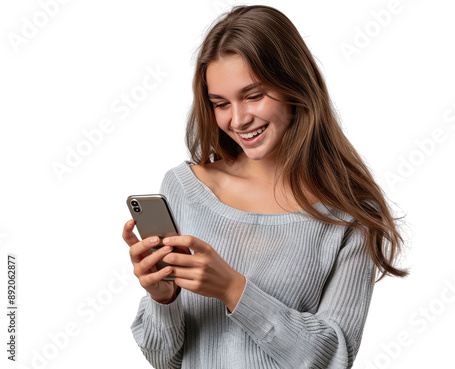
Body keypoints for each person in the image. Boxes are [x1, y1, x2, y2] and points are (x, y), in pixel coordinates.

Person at [122, 5, 408, 369]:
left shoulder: (349, 215)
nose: (238, 120)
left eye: (254, 95)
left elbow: (333, 359)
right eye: (221, 104)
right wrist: (163, 299)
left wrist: (233, 289)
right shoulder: (184, 188)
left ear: (294, 86)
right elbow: (164, 360)